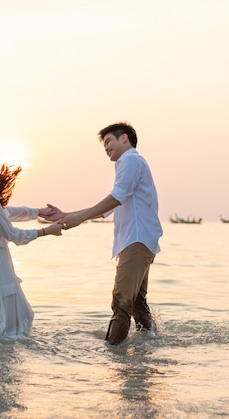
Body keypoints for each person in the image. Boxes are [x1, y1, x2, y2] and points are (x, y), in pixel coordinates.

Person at [46, 122, 163, 345]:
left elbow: (116, 198)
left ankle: (112, 356)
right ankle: (151, 347)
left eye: (109, 141)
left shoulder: (130, 160)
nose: (106, 147)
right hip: (139, 240)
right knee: (137, 304)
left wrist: (79, 218)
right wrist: (68, 215)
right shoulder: (129, 164)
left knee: (121, 303)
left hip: (136, 241)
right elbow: (110, 207)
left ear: (125, 139)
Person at [0, 146, 62, 337]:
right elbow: (13, 234)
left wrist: (39, 211)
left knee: (4, 317)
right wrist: (46, 231)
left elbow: (6, 213)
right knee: (10, 317)